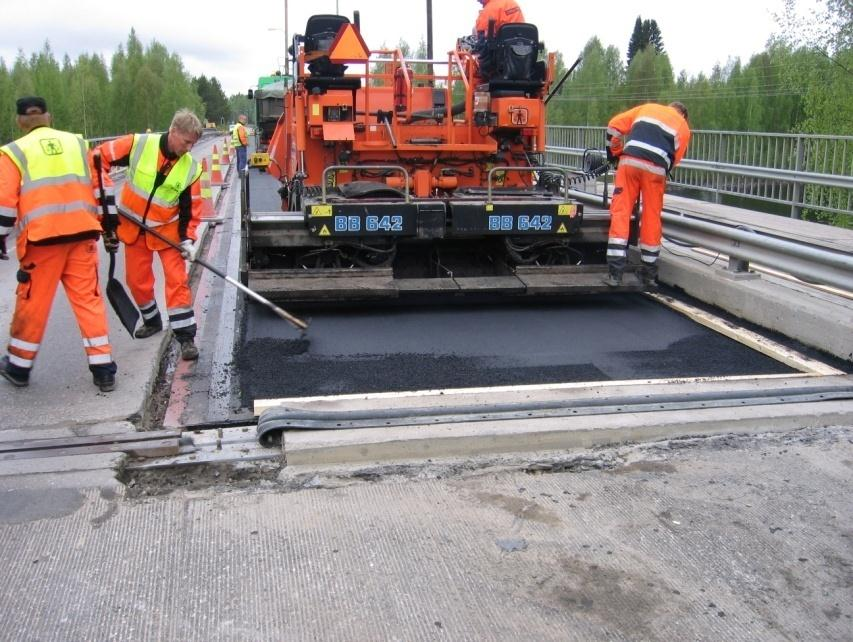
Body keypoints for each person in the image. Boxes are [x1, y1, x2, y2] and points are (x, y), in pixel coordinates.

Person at [0, 96, 117, 391]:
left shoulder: (13, 152)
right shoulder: (77, 144)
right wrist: (108, 229)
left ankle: (19, 367)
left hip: (42, 243)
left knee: (33, 304)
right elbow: (101, 187)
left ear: (20, 121)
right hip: (82, 236)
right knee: (88, 302)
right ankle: (103, 370)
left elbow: (4, 205)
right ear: (49, 117)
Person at [95, 109, 203, 361]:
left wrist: (188, 239)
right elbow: (98, 157)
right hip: (134, 230)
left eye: (193, 144)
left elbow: (191, 208)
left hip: (168, 232)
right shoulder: (139, 145)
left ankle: (186, 337)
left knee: (177, 282)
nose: (189, 148)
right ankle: (152, 319)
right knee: (137, 281)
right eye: (186, 142)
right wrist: (104, 200)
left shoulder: (191, 169)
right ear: (174, 131)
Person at [603, 101, 691, 286]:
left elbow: (613, 126)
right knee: (651, 216)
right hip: (656, 170)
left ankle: (615, 273)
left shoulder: (647, 108)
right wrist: (661, 169)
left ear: (669, 106)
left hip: (629, 163)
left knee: (621, 212)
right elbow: (676, 158)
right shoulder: (683, 126)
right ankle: (648, 273)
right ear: (683, 114)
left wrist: (615, 153)